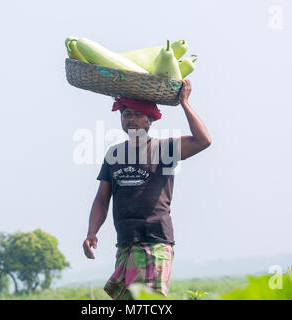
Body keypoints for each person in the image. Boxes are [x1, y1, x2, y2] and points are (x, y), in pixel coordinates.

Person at [82, 79, 212, 299]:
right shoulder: (113, 155)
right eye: (126, 114)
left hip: (155, 242)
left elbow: (203, 140)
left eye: (137, 114)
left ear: (150, 119)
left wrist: (184, 103)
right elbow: (102, 199)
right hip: (125, 245)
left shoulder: (164, 149)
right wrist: (91, 232)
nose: (130, 120)